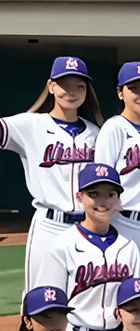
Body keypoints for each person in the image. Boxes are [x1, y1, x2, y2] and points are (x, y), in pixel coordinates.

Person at [0, 56, 103, 291]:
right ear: (51, 87)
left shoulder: (96, 133)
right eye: (64, 84)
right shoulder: (30, 124)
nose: (72, 91)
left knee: (84, 298)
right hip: (49, 225)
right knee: (42, 299)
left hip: (87, 225)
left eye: (79, 85)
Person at [37, 163, 140, 331]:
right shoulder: (62, 245)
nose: (103, 201)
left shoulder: (129, 247)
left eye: (111, 194)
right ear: (79, 197)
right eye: (94, 194)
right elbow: (49, 302)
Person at [93, 61, 140, 261]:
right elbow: (102, 179)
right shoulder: (113, 128)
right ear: (120, 93)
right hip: (123, 222)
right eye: (134, 88)